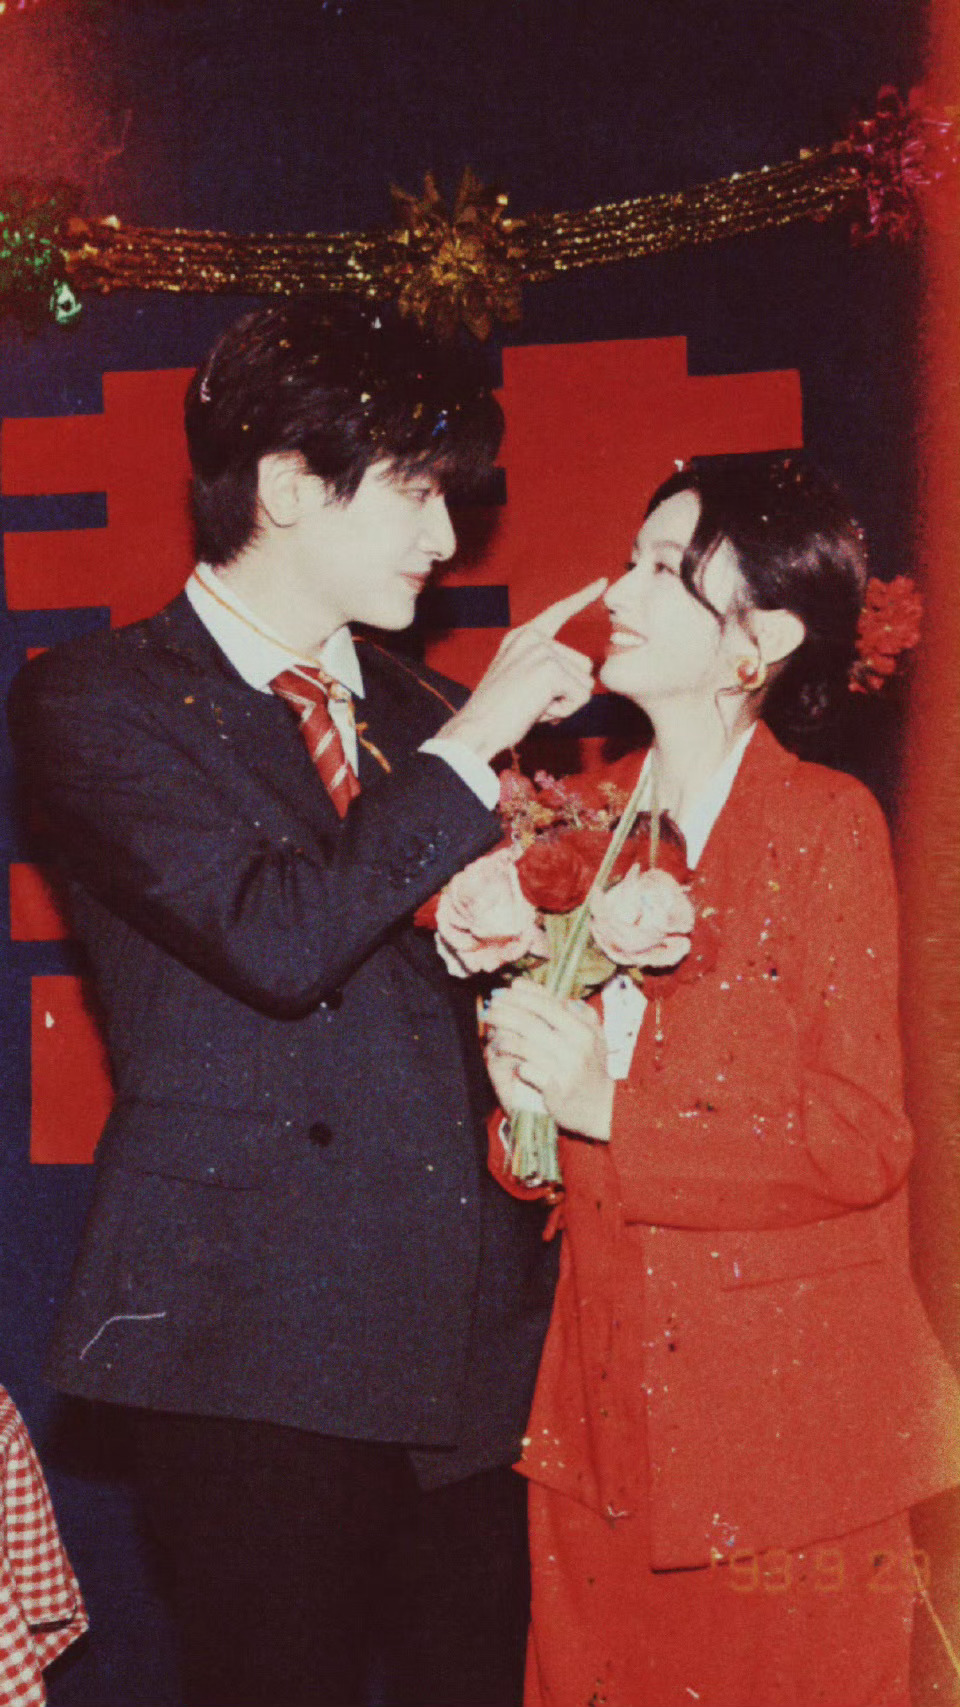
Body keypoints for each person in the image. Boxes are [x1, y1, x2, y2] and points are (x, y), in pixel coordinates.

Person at [7, 296, 606, 1707]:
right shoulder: (96, 699)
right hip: (251, 1335)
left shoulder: (422, 709)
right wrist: (474, 743)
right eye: (415, 492)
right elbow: (275, 936)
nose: (446, 538)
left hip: (470, 1342)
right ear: (284, 486)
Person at [484, 454, 960, 1707]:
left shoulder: (826, 824)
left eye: (664, 568)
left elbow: (859, 1141)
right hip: (597, 1422)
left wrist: (603, 1107)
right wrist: (525, 1092)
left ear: (763, 638)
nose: (619, 591)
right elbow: (540, 1162)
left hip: (784, 1437)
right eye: (631, 559)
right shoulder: (578, 827)